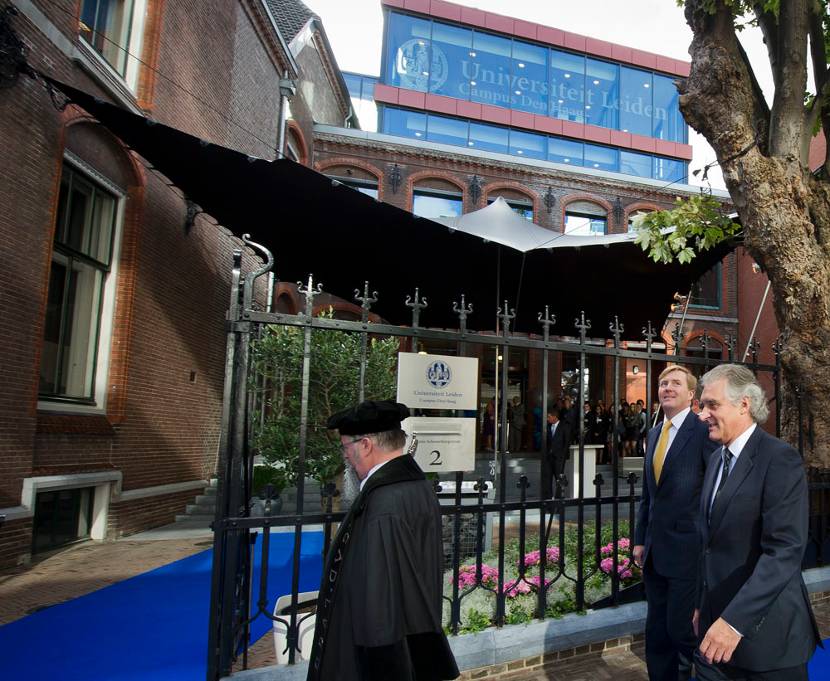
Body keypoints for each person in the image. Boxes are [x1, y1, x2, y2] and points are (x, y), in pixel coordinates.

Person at [307, 400, 459, 681]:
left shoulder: (384, 502)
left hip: (374, 659)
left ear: (365, 445)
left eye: (346, 448)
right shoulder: (415, 487)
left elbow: (380, 602)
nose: (346, 458)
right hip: (410, 643)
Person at [693, 365, 820, 681]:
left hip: (767, 644)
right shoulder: (714, 460)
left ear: (744, 404)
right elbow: (709, 545)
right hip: (712, 639)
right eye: (701, 405)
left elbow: (784, 551)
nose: (701, 414)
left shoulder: (779, 459)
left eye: (712, 404)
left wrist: (733, 622)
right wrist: (701, 606)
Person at [634, 365, 716, 681]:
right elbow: (648, 496)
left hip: (687, 553)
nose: (667, 387)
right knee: (656, 633)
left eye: (676, 383)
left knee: (682, 630)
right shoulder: (655, 433)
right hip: (655, 554)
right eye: (663, 383)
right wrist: (641, 539)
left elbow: (713, 492)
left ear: (691, 393)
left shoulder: (702, 431)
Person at [544, 409, 570, 498]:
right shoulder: (547, 426)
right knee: (547, 480)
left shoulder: (564, 426)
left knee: (559, 480)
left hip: (559, 458)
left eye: (549, 417)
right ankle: (547, 502)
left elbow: (566, 442)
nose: (547, 419)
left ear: (554, 417)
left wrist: (563, 456)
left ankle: (558, 501)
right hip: (548, 458)